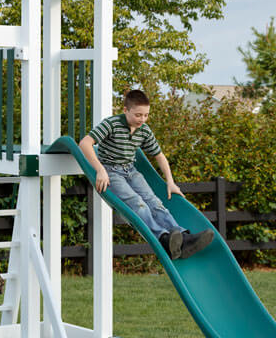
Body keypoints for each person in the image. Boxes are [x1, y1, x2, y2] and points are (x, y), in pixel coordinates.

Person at [79, 89, 213, 260]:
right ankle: (163, 238)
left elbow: (159, 156)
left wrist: (170, 181)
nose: (142, 119)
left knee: (154, 201)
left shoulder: (144, 130)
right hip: (111, 172)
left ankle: (182, 237)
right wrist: (100, 170)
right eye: (138, 115)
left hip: (131, 170)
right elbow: (85, 143)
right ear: (126, 110)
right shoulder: (111, 124)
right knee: (138, 203)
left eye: (146, 115)